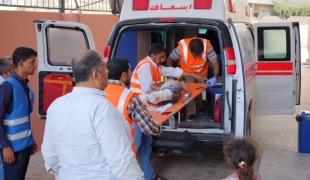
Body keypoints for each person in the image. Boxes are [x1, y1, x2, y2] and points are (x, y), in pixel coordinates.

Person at [41, 50, 144, 180]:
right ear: (96, 74)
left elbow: (50, 155)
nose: (108, 73)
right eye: (105, 69)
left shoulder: (56, 106)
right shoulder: (103, 109)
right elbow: (123, 164)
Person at [105, 57, 166, 180]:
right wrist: (159, 127)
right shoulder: (130, 98)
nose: (131, 73)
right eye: (130, 70)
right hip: (124, 158)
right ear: (123, 75)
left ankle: (149, 174)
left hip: (102, 156)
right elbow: (150, 128)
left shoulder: (98, 92)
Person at [0, 47, 38, 180]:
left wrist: (30, 140)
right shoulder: (7, 87)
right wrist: (5, 146)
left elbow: (23, 118)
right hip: (12, 150)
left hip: (24, 147)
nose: (35, 65)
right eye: (32, 62)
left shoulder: (24, 85)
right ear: (21, 63)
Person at [166, 38, 220, 121]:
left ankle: (200, 106)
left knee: (199, 88)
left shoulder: (207, 46)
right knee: (189, 90)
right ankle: (191, 112)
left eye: (198, 55)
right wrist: (171, 74)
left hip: (202, 71)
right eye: (194, 55)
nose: (196, 57)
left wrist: (215, 77)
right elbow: (170, 58)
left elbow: (215, 62)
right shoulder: (181, 48)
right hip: (187, 71)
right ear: (189, 49)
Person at [130, 43, 207, 95]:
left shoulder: (156, 66)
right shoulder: (145, 66)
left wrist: (194, 75)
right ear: (152, 56)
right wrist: (166, 88)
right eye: (161, 57)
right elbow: (147, 89)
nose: (163, 60)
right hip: (140, 99)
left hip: (148, 98)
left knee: (173, 82)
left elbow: (173, 71)